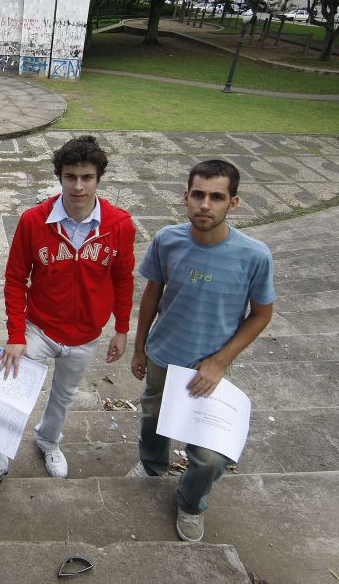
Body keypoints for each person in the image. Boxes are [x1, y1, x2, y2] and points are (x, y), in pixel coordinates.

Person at [0, 135, 136, 514]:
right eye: (70, 176)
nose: (78, 186)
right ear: (59, 176)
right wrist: (15, 334)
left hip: (88, 334)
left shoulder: (120, 225)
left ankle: (48, 440)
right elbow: (14, 279)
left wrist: (122, 328)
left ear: (99, 178)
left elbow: (123, 278)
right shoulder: (33, 220)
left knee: (64, 394)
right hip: (38, 329)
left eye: (87, 177)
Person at [127, 159, 275, 542]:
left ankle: (191, 503)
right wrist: (140, 347)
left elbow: (261, 315)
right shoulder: (167, 240)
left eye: (216, 197)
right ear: (185, 197)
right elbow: (151, 294)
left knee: (209, 458)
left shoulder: (254, 255)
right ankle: (151, 464)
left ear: (234, 203)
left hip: (209, 368)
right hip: (163, 354)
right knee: (153, 417)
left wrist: (219, 362)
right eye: (198, 195)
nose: (205, 205)